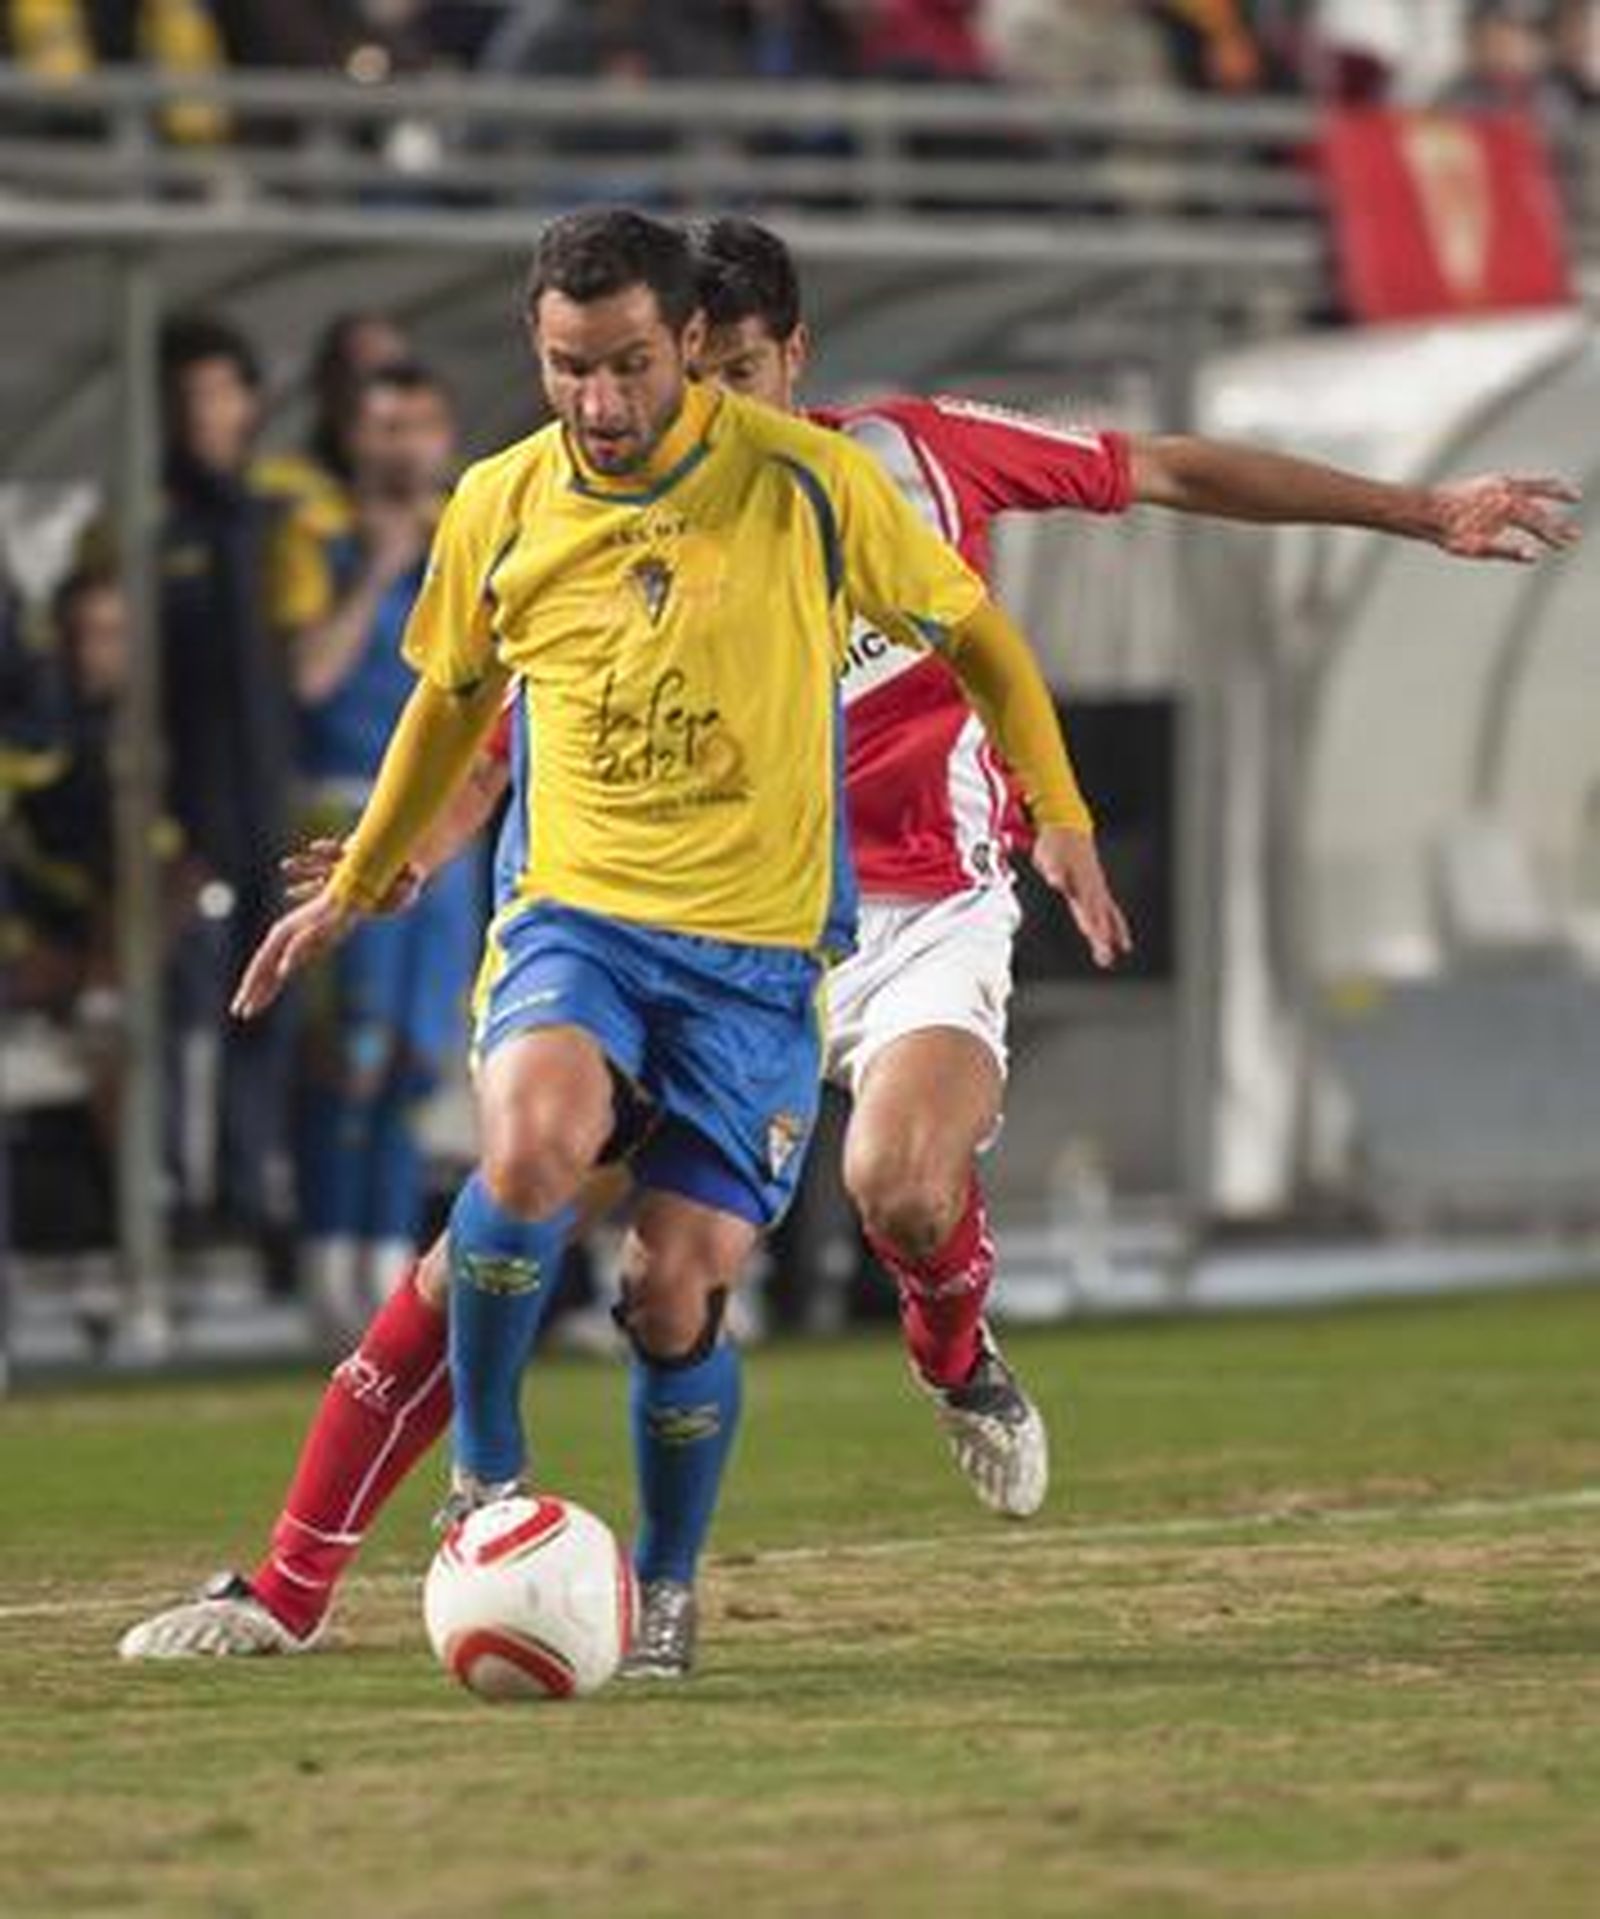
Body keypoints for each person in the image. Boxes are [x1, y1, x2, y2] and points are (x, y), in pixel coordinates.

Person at [118, 213, 1580, 1673]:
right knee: (523, 1205)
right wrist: (394, 864)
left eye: (731, 366)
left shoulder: (888, 469)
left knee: (894, 1181)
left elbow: (1168, 471)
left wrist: (1415, 511)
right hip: (673, 915)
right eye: (670, 369)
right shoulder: (606, 506)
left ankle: (951, 1351)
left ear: (787, 356)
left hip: (910, 914)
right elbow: (511, 731)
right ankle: (304, 1574)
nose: (697, 399)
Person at [119, 206, 1119, 1675]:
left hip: (769, 955)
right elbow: (463, 712)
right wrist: (377, 872)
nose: (607, 402)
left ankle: (672, 1585)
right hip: (582, 923)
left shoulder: (822, 487)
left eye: (641, 367)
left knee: (676, 1281)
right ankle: (358, 1546)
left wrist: (1062, 808)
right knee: (509, 1182)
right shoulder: (507, 502)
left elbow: (987, 631)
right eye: (571, 368)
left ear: (726, 359)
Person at [272, 361, 482, 1339]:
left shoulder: (473, 533)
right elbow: (307, 678)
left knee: (410, 1056)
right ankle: (326, 1264)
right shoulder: (322, 540)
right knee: (342, 1052)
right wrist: (378, 566)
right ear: (355, 439)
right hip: (342, 808)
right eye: (384, 426)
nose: (403, 447)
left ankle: (388, 1271)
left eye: (419, 426)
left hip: (444, 823)